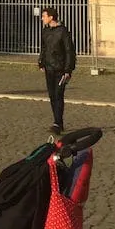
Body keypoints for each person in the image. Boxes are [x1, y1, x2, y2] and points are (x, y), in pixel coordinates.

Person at [38, 7, 76, 135]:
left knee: (59, 95)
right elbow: (43, 47)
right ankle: (58, 122)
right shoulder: (45, 31)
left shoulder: (63, 31)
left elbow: (69, 50)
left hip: (60, 69)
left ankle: (57, 123)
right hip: (49, 68)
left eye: (44, 16)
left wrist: (68, 69)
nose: (42, 18)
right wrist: (41, 61)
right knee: (52, 96)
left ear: (51, 17)